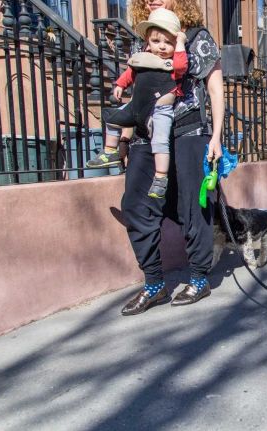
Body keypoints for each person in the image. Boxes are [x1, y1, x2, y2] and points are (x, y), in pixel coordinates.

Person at [119, 0, 224, 315]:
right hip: (146, 134)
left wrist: (216, 136)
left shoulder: (198, 38)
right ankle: (154, 284)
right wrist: (125, 137)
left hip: (189, 131)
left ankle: (199, 277)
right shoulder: (146, 38)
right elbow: (135, 91)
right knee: (135, 206)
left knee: (192, 207)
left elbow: (215, 90)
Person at [92, 8, 188, 199]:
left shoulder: (173, 64)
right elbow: (129, 74)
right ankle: (110, 151)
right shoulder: (142, 60)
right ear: (147, 42)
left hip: (159, 112)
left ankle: (161, 177)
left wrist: (180, 44)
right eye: (156, 41)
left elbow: (180, 66)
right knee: (112, 117)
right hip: (136, 106)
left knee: (160, 143)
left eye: (168, 42)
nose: (162, 47)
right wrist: (120, 85)